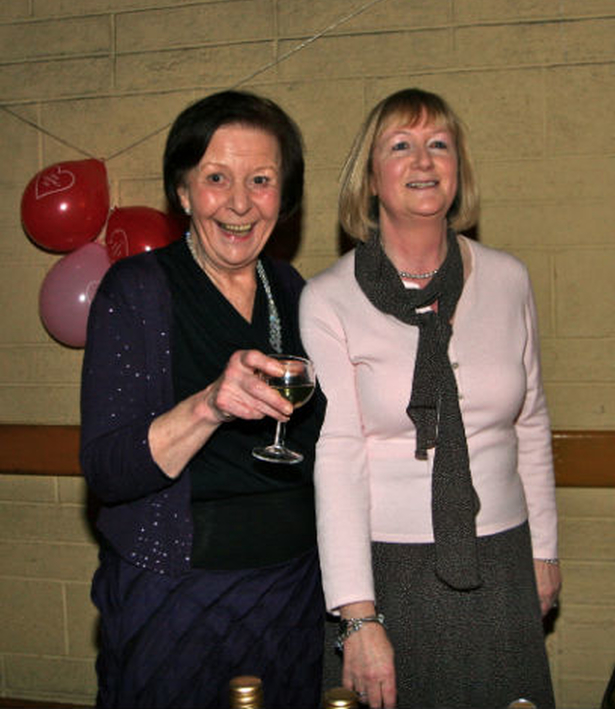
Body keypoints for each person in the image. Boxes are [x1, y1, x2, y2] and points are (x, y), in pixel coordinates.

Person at [299, 88, 561, 709]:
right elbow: (336, 459)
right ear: (369, 179)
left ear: (459, 168)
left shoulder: (508, 278)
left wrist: (543, 552)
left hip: (501, 559)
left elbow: (532, 423)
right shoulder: (328, 299)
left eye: (439, 144)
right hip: (388, 571)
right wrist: (358, 618)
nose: (424, 159)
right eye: (401, 145)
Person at [81, 90, 326, 709]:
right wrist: (209, 405)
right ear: (184, 192)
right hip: (177, 597)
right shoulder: (137, 291)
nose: (240, 202)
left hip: (294, 591)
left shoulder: (296, 292)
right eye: (217, 178)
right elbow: (108, 470)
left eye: (261, 180)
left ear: (284, 196)